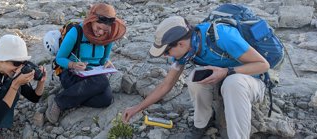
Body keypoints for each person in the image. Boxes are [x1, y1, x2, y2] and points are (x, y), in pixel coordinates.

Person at [122, 16, 269, 139]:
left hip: (252, 80)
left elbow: (263, 65)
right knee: (194, 78)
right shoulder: (187, 51)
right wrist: (137, 108)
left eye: (166, 52)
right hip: (223, 78)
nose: (166, 56)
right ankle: (202, 123)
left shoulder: (222, 36)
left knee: (232, 82)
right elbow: (166, 85)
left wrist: (226, 72)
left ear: (180, 43)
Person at [45, 3, 126, 124]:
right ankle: (59, 102)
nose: (100, 33)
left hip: (93, 75)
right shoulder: (76, 32)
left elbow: (103, 59)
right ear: (91, 21)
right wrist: (73, 65)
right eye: (98, 28)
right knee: (102, 82)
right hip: (71, 73)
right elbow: (59, 59)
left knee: (106, 99)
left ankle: (73, 97)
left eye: (104, 30)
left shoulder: (108, 37)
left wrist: (107, 63)